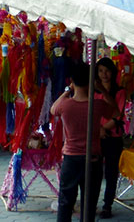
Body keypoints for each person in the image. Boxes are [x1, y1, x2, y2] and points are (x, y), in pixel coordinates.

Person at [51, 61, 120, 222]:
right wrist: (102, 89)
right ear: (91, 81)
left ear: (72, 81)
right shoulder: (98, 105)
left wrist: (68, 90)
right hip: (92, 159)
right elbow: (116, 112)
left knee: (65, 203)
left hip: (70, 159)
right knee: (89, 206)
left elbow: (53, 109)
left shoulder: (65, 105)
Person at [96, 58, 126, 219]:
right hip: (96, 137)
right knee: (95, 172)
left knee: (111, 173)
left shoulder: (120, 91)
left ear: (112, 72)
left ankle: (107, 205)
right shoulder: (93, 92)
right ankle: (92, 202)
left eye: (106, 71)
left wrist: (102, 129)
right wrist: (98, 130)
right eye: (100, 71)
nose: (104, 74)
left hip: (113, 137)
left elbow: (117, 115)